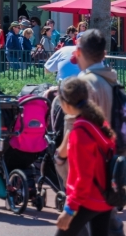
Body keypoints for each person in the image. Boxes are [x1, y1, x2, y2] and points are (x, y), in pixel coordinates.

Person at [54, 76, 115, 235]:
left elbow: (83, 177)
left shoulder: (79, 133)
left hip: (87, 200)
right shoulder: (99, 123)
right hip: (105, 196)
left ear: (65, 104)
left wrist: (69, 210)